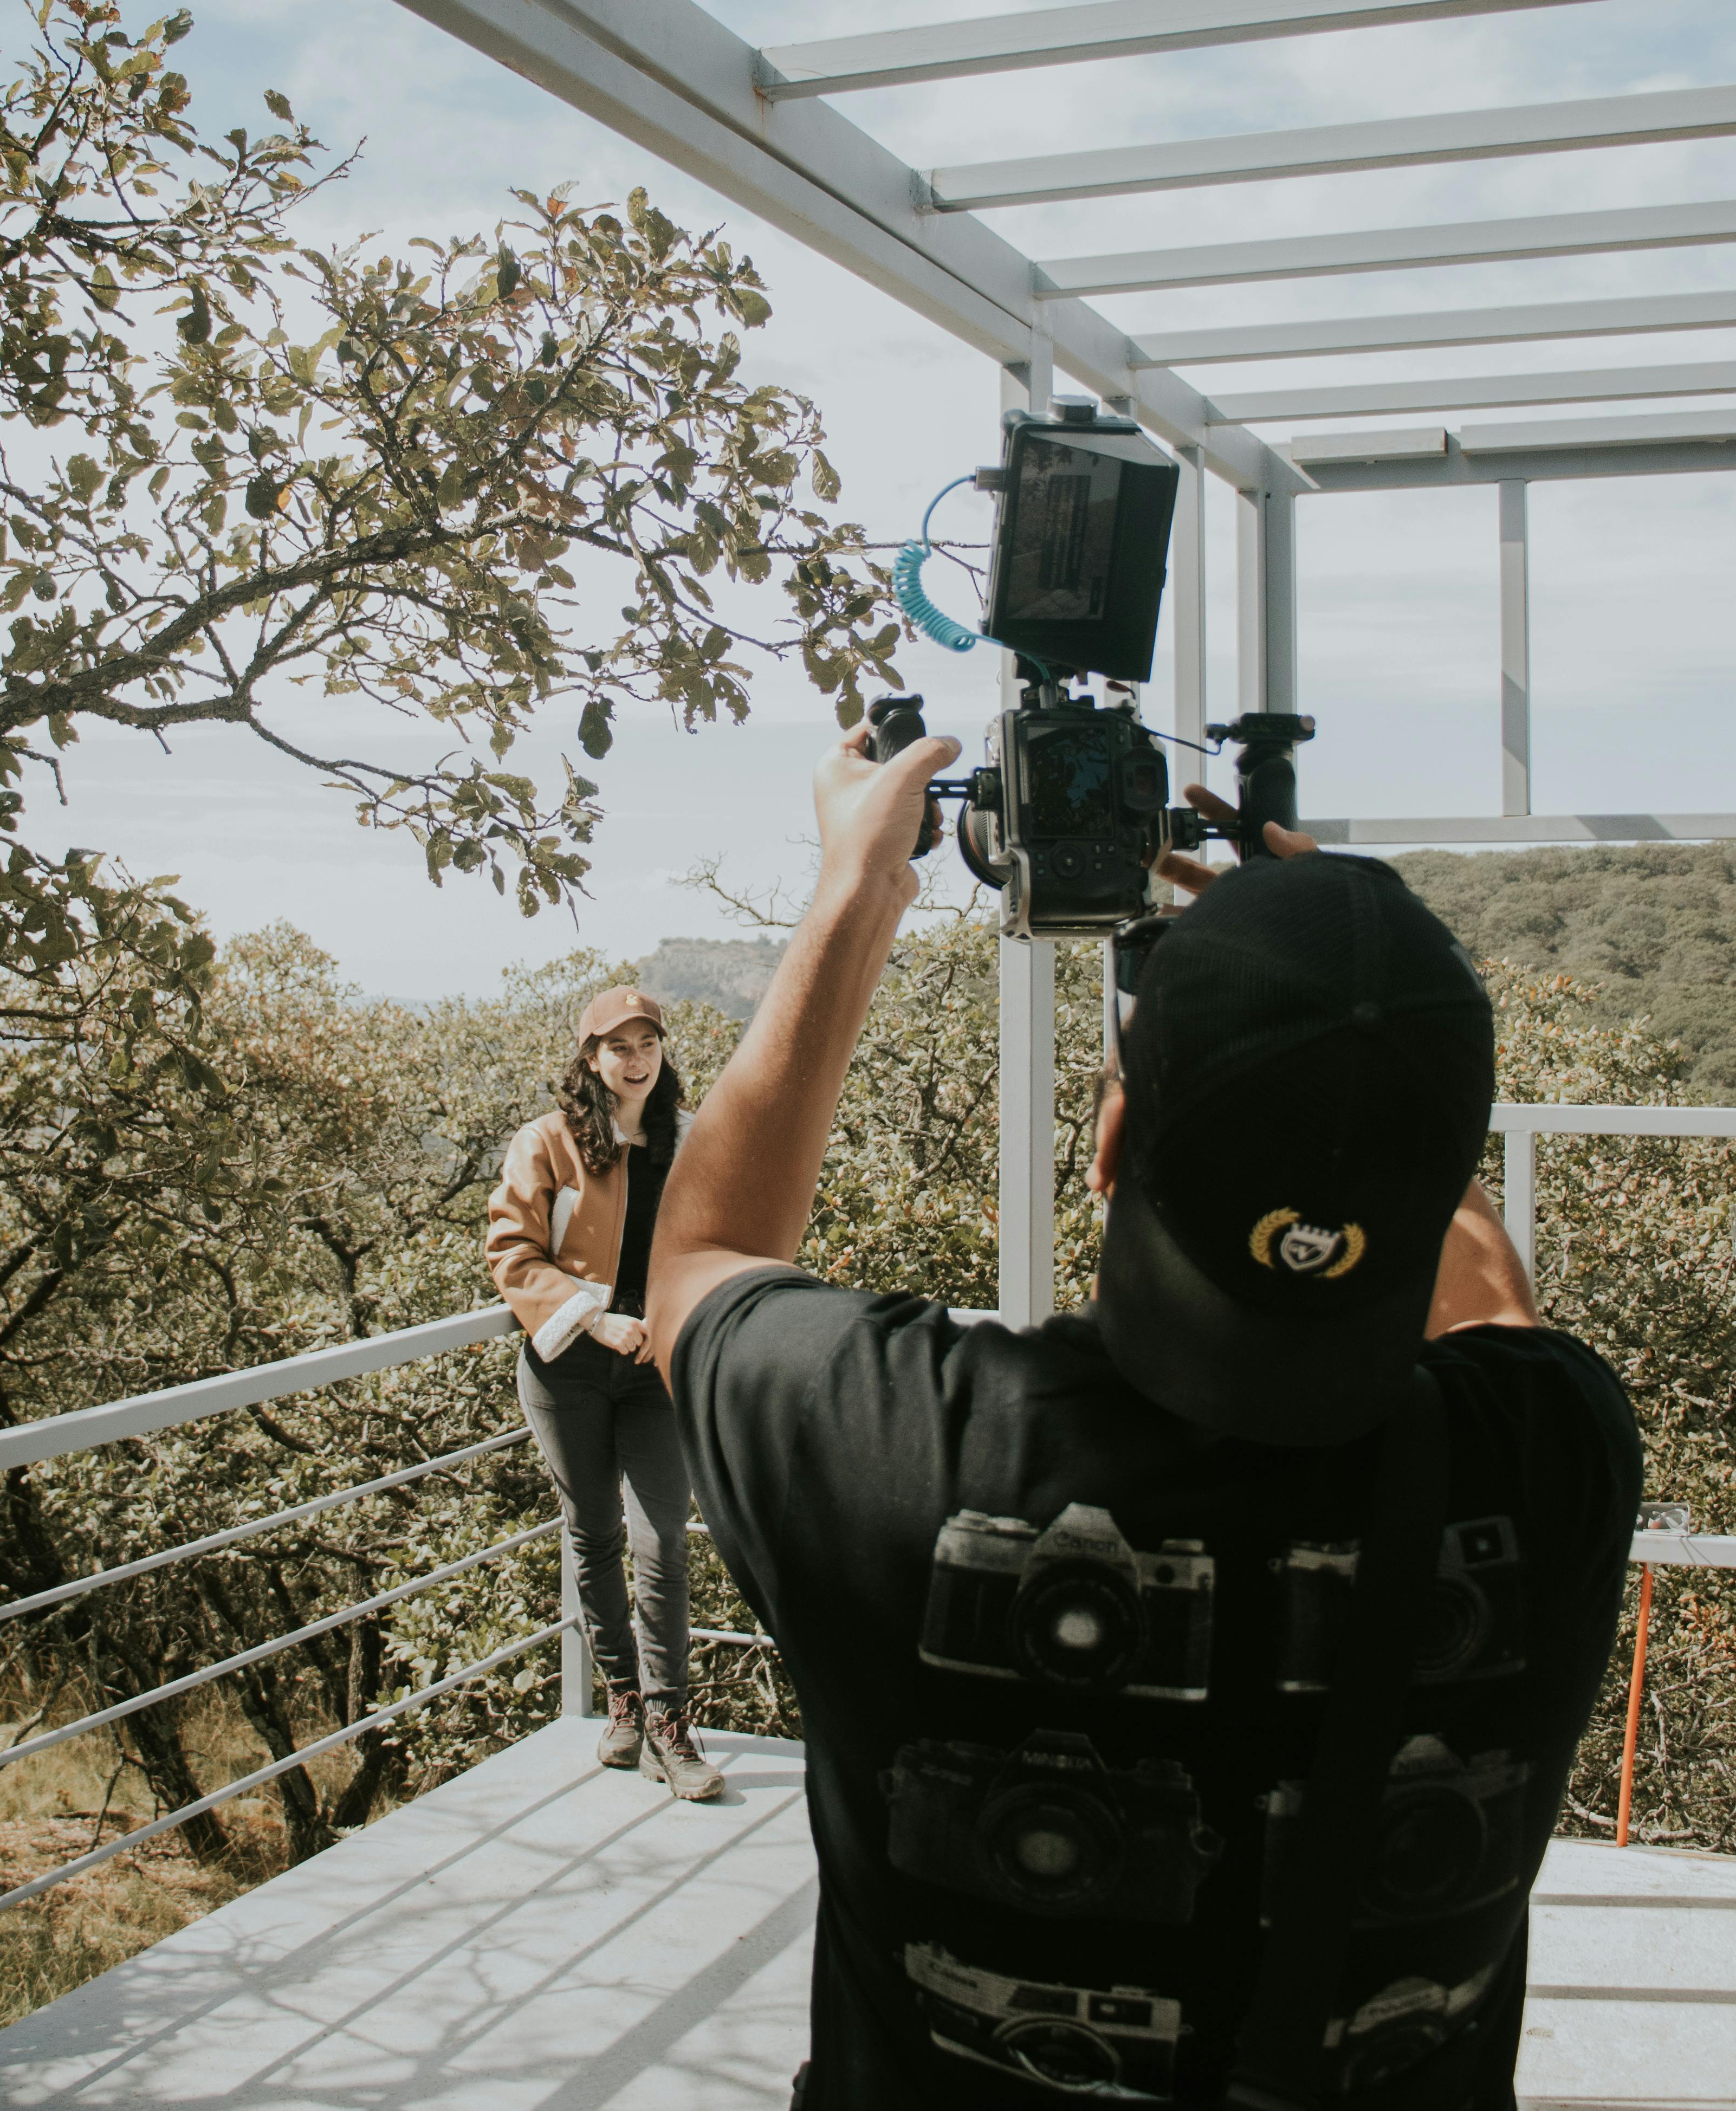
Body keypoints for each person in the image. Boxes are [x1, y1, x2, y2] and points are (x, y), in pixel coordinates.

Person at [646, 727, 1642, 2109]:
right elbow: (1485, 1308)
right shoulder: (1556, 1455)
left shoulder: (897, 1447)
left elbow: (694, 1262)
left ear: (1105, 1146)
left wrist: (860, 884)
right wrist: (1356, 974)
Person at [487, 985, 723, 1802]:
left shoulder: (692, 1142)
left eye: (646, 1042)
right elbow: (512, 1254)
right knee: (592, 1533)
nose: (634, 1059)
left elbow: (715, 1250)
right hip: (569, 1366)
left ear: (663, 1051)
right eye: (616, 1046)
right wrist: (595, 1320)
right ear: (590, 1059)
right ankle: (622, 1702)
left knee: (663, 1539)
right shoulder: (548, 1143)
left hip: (657, 1366)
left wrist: (672, 1321)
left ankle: (669, 1723)